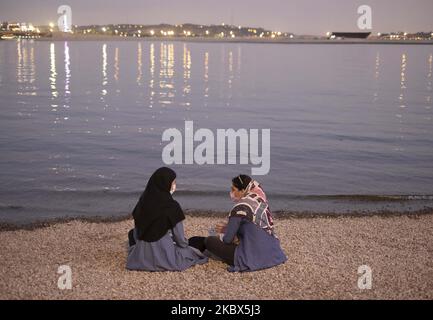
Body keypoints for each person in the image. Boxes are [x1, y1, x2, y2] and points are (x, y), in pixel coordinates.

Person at [189, 174, 287, 272]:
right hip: (273, 253)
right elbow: (251, 227)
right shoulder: (260, 201)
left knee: (209, 241)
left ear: (243, 190)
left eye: (233, 189)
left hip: (252, 257)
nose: (231, 193)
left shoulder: (240, 208)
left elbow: (227, 239)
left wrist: (224, 231)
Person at [126, 167, 208, 271]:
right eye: (173, 182)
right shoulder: (172, 206)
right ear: (166, 184)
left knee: (131, 233)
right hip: (165, 256)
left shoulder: (142, 202)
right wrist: (183, 244)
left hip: (141, 256)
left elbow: (137, 233)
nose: (174, 185)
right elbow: (180, 240)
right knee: (197, 242)